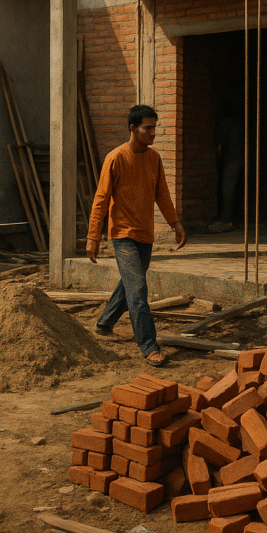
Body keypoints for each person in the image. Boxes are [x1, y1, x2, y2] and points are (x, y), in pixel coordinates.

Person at [86, 104, 187, 367]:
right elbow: (101, 199)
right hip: (122, 235)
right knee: (139, 289)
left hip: (146, 235)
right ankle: (149, 345)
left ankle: (104, 322)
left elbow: (162, 194)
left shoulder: (154, 159)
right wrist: (93, 237)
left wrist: (175, 223)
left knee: (131, 285)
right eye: (148, 128)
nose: (153, 133)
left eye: (155, 127)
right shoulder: (115, 158)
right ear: (133, 128)